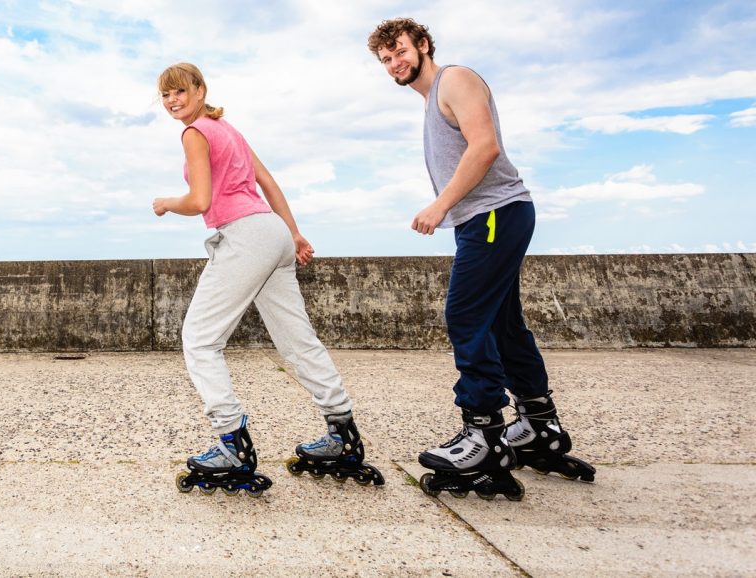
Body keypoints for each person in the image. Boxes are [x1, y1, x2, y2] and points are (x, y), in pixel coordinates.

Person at [367, 18, 595, 500]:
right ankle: (539, 426)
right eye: (386, 59)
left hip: (494, 214)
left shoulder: (455, 79)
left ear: (423, 45)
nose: (394, 64)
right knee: (502, 324)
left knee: (466, 315)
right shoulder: (432, 99)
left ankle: (483, 434)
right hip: (489, 218)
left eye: (400, 51)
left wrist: (439, 204)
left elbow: (485, 146)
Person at [153, 63, 383, 497]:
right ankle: (343, 436)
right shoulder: (229, 129)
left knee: (200, 340)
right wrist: (292, 232)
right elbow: (268, 183)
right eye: (165, 95)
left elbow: (200, 199)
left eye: (180, 91)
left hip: (244, 235)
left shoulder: (195, 133)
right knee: (298, 341)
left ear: (200, 90)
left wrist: (167, 202)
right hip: (271, 232)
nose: (172, 101)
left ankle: (232, 445)